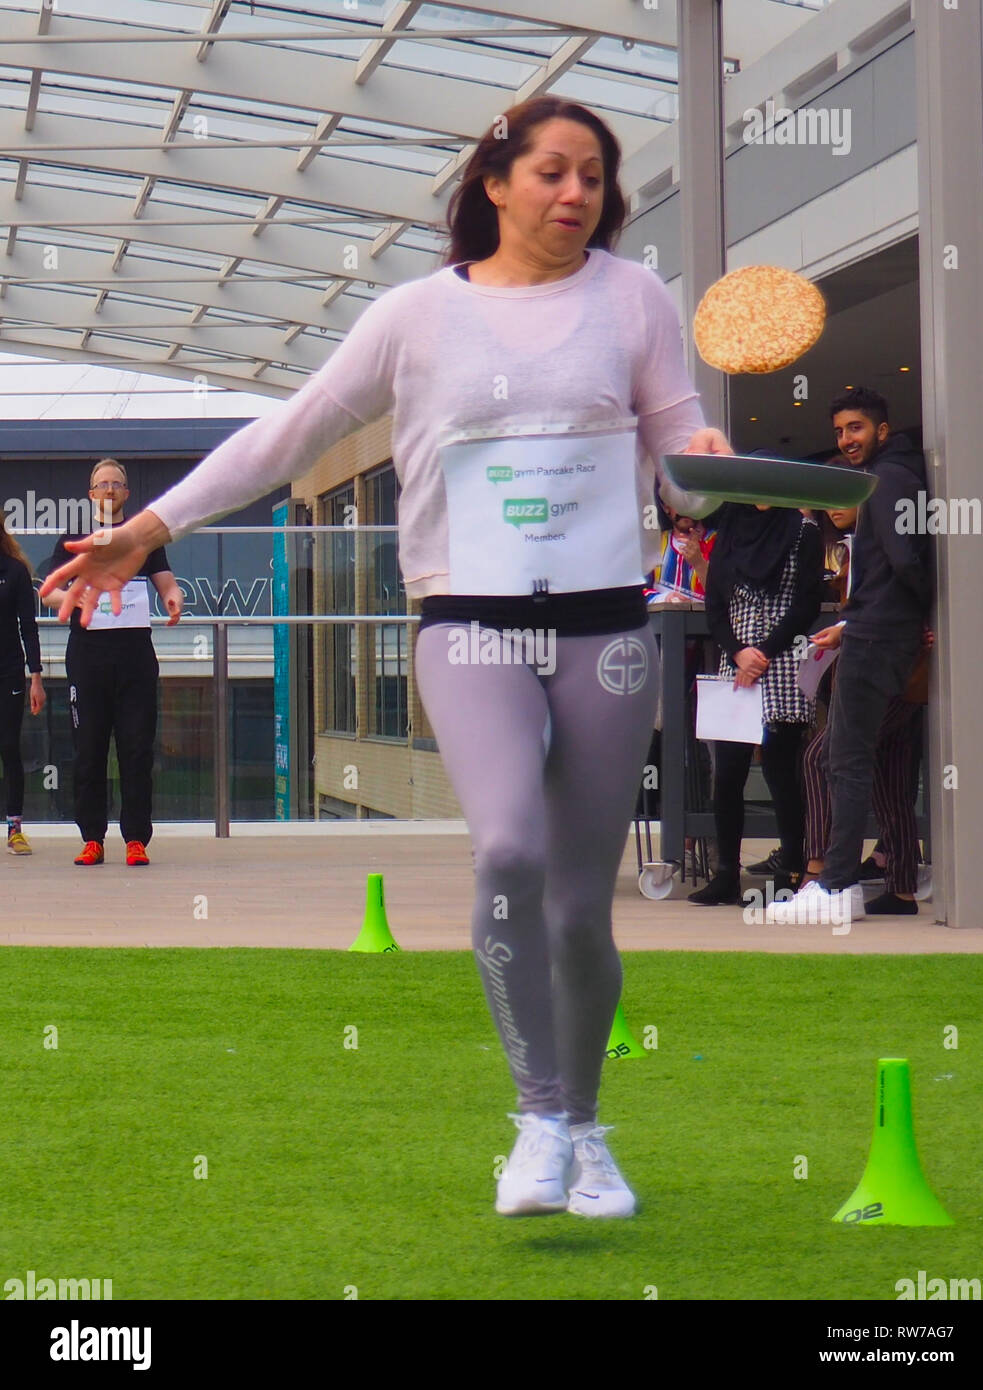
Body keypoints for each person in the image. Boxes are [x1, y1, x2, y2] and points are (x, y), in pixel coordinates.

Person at [42, 96, 733, 1218]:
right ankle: (534, 1114)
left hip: (606, 625)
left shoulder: (633, 298)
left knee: (575, 906)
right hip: (467, 620)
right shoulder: (414, 317)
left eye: (594, 180)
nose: (573, 194)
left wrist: (701, 456)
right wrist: (147, 529)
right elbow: (290, 434)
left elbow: (681, 473)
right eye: (551, 172)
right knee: (507, 844)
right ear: (495, 184)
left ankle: (584, 1133)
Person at [768, 388, 931, 925]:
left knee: (845, 761)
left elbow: (908, 563)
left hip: (878, 635)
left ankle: (834, 884)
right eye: (840, 431)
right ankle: (856, 882)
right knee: (860, 763)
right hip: (880, 632)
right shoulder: (899, 477)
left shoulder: (885, 483)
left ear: (882, 431)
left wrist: (894, 619)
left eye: (856, 428)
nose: (846, 439)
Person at [41, 459, 184, 866]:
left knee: (136, 750)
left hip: (135, 659)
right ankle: (92, 839)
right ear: (91, 494)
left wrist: (173, 599)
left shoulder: (143, 539)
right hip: (88, 659)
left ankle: (136, 839)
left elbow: (168, 584)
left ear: (126, 493)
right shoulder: (73, 539)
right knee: (88, 750)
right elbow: (49, 591)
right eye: (101, 484)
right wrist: (75, 599)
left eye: (116, 484)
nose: (108, 490)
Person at [689, 503, 823, 906]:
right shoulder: (730, 527)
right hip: (738, 665)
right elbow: (716, 604)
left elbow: (805, 603)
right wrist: (737, 653)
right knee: (727, 773)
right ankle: (726, 875)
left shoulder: (803, 531)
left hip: (781, 661)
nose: (760, 502)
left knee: (782, 771)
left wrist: (762, 652)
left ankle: (790, 871)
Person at [0, 512, 46, 854]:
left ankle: (14, 827)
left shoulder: (14, 571)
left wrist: (36, 677)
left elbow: (28, 626)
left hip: (9, 672)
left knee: (8, 747)